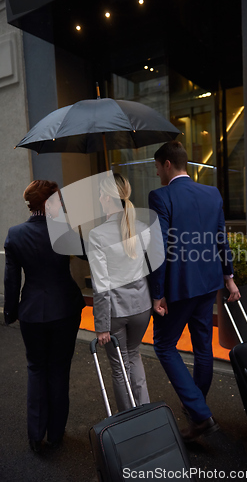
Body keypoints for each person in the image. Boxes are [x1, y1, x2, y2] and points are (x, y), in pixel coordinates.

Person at [148, 141, 241, 442]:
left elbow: (160, 246)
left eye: (157, 167)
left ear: (166, 164)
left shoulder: (160, 196)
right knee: (203, 347)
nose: (156, 173)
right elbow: (221, 239)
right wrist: (229, 278)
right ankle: (197, 406)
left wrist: (157, 292)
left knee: (163, 345)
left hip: (178, 288)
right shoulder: (211, 193)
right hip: (208, 283)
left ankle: (200, 413)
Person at [4, 180, 85, 453]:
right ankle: (56, 434)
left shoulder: (15, 234)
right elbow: (88, 254)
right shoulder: (64, 231)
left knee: (37, 369)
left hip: (31, 312)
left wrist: (11, 312)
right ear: (48, 203)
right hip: (65, 309)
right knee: (59, 370)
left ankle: (36, 434)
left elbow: (12, 280)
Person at [88, 173, 151, 412]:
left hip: (115, 311)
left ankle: (130, 421)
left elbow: (101, 285)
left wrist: (101, 324)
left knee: (119, 367)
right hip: (141, 307)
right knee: (133, 357)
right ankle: (145, 413)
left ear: (105, 197)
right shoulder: (142, 228)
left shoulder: (97, 235)